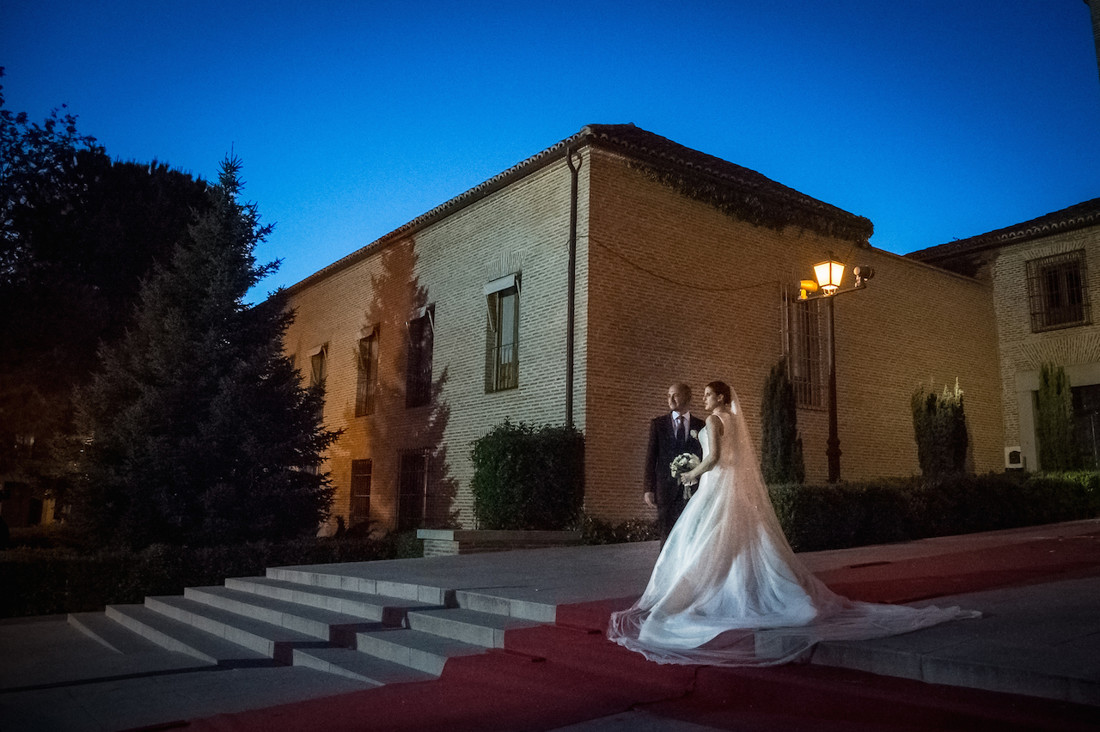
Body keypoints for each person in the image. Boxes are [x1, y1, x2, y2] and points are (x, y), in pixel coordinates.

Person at [609, 380, 979, 666]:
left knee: (709, 538)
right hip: (725, 487)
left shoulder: (717, 420)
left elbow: (717, 459)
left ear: (721, 398)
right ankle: (738, 584)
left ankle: (703, 590)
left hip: (715, 484)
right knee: (729, 539)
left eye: (708, 394)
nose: (705, 399)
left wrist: (693, 472)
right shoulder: (732, 418)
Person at [644, 383, 706, 544]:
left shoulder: (701, 426)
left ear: (687, 397)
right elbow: (651, 457)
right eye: (668, 395)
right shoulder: (658, 424)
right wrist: (648, 489)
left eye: (675, 395)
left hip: (693, 490)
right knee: (667, 536)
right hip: (665, 490)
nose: (670, 399)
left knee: (690, 535)